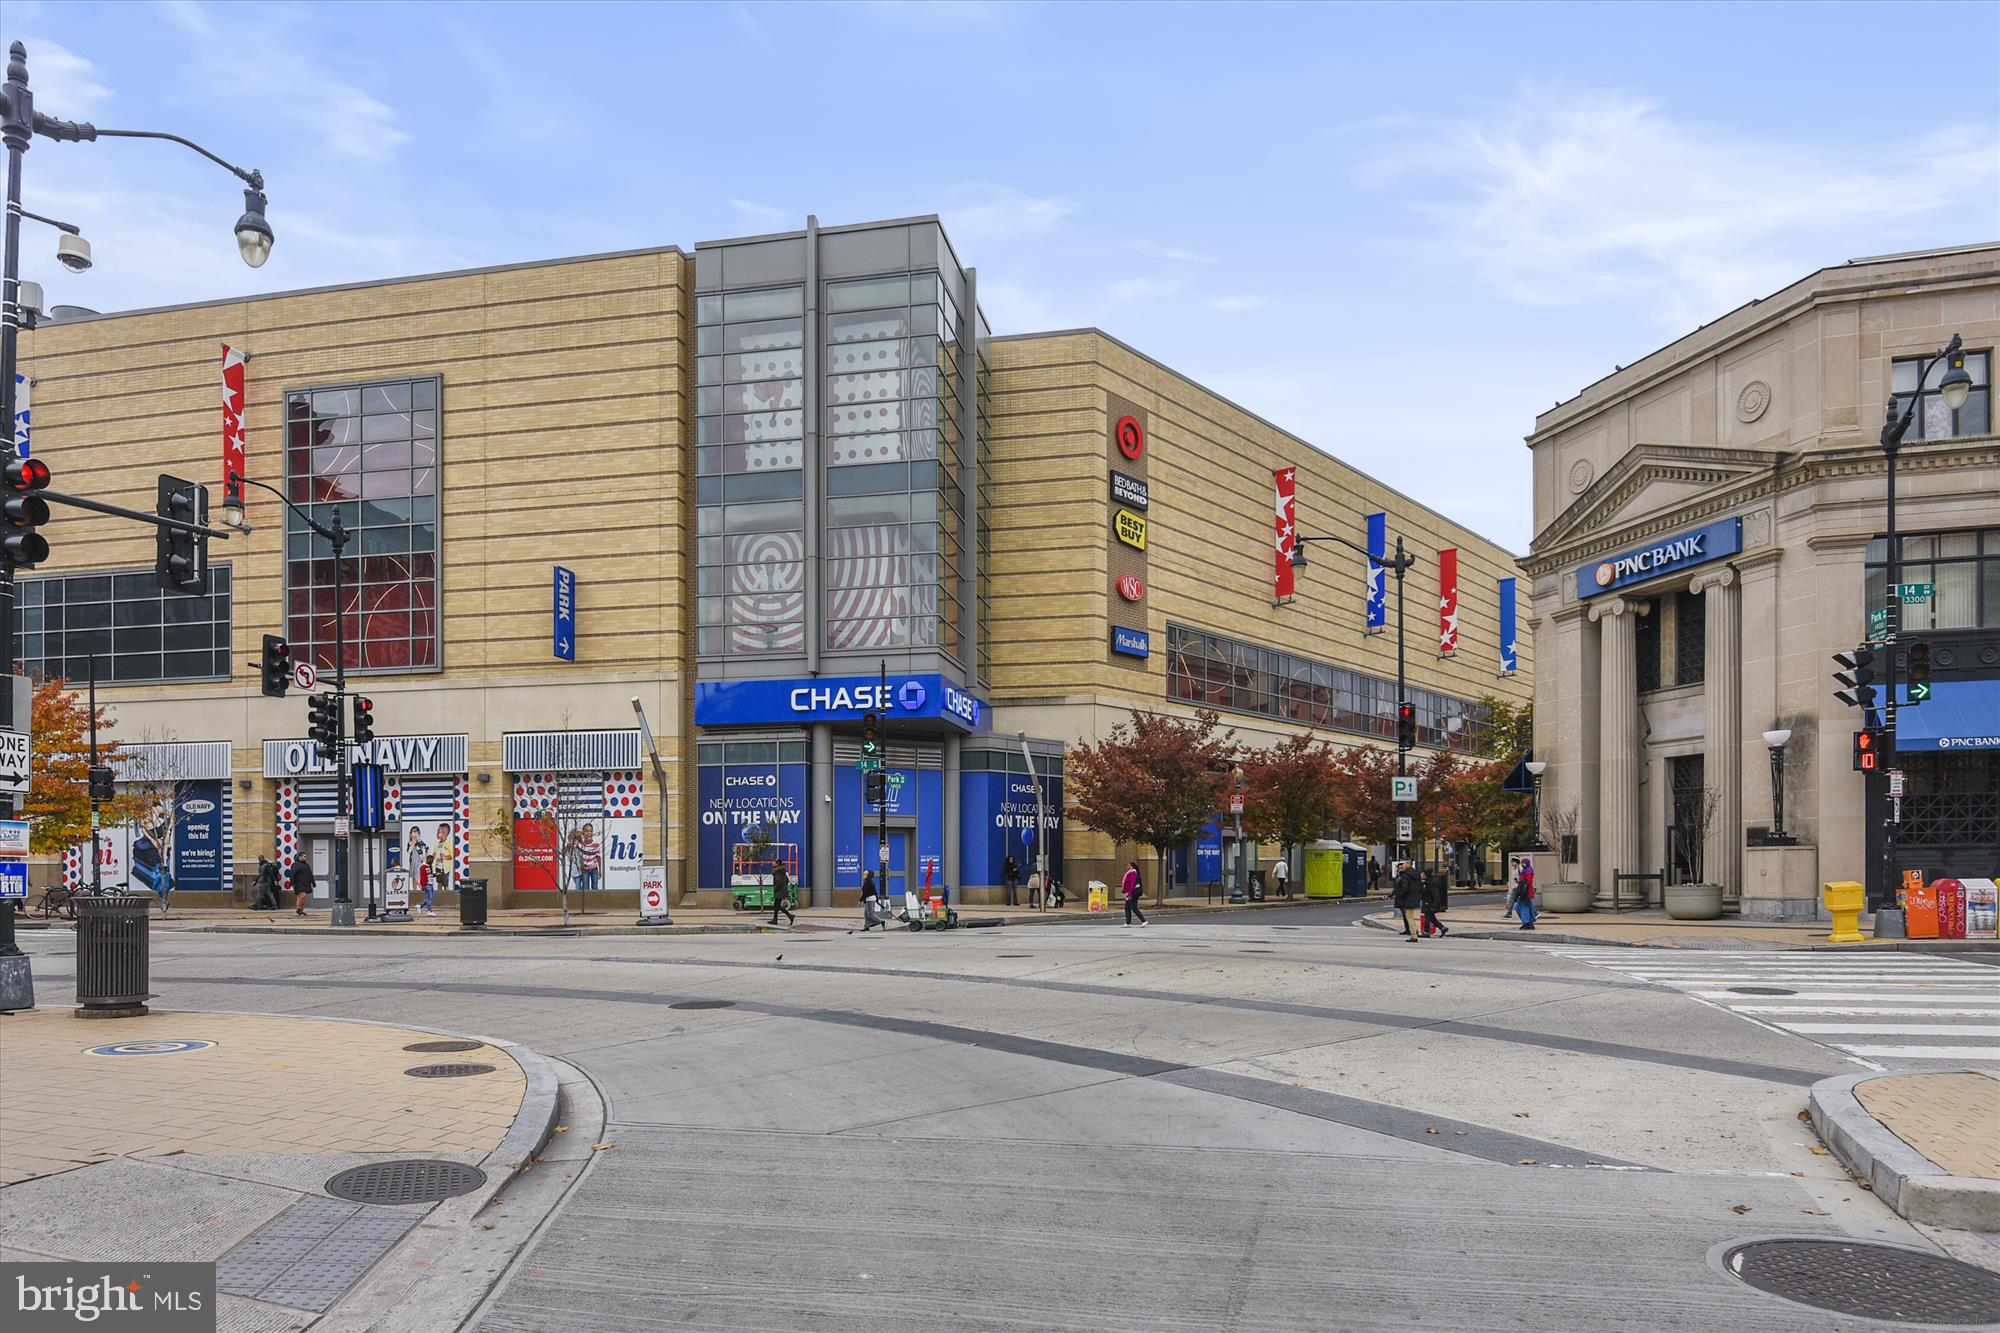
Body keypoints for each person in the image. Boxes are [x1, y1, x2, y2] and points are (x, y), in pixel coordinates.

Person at [1392, 860, 1424, 941]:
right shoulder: (1416, 874)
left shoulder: (1405, 875)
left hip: (1408, 898)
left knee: (1409, 917)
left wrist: (1401, 896)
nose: (1403, 865)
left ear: (1408, 865)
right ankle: (1414, 932)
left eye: (1405, 863)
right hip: (1415, 897)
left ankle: (1414, 935)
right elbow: (1420, 886)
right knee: (1411, 916)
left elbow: (1405, 888)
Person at [428, 822, 454, 916]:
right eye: (438, 831)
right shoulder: (437, 844)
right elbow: (434, 854)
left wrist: (445, 857)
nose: (438, 833)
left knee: (445, 883)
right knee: (439, 882)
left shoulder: (449, 843)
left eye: (440, 832)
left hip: (445, 868)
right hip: (438, 867)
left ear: (445, 833)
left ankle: (448, 899)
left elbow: (451, 856)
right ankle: (439, 899)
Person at [1421, 868, 1450, 938]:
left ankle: (1426, 931)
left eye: (1423, 874)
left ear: (1426, 875)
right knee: (1432, 918)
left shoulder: (1430, 884)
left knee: (1427, 917)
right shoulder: (1426, 883)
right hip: (1428, 902)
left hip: (1429, 903)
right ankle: (1442, 928)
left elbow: (1434, 894)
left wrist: (1435, 904)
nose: (1421, 875)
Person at [769, 858, 795, 926]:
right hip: (782, 890)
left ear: (777, 863)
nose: (772, 863)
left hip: (779, 891)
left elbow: (778, 882)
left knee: (777, 905)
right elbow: (787, 880)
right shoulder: (782, 870)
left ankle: (790, 916)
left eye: (774, 862)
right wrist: (784, 886)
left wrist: (775, 889)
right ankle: (775, 919)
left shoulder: (777, 871)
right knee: (776, 905)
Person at [1122, 859, 1147, 927]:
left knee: (1134, 907)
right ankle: (1128, 922)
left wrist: (1129, 894)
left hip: (1132, 893)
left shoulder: (1133, 873)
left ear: (1132, 866)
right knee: (1127, 907)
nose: (1127, 866)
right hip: (1130, 892)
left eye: (1128, 865)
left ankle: (1143, 920)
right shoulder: (1130, 872)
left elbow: (1132, 884)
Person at [289, 852, 315, 917]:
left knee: (303, 897)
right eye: (302, 856)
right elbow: (292, 874)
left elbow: (310, 874)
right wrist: (292, 883)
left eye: (305, 856)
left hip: (306, 883)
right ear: (299, 857)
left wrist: (313, 882)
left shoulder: (306, 865)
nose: (304, 857)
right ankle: (298, 909)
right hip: (298, 883)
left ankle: (301, 910)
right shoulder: (296, 864)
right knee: (302, 895)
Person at [1515, 856, 1538, 931]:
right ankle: (1528, 922)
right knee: (1523, 907)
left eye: (1524, 863)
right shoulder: (1525, 870)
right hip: (1524, 892)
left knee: (1523, 907)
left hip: (1526, 892)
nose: (1522, 864)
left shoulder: (1528, 871)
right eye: (1522, 863)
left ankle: (1527, 923)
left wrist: (1521, 883)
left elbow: (1528, 882)